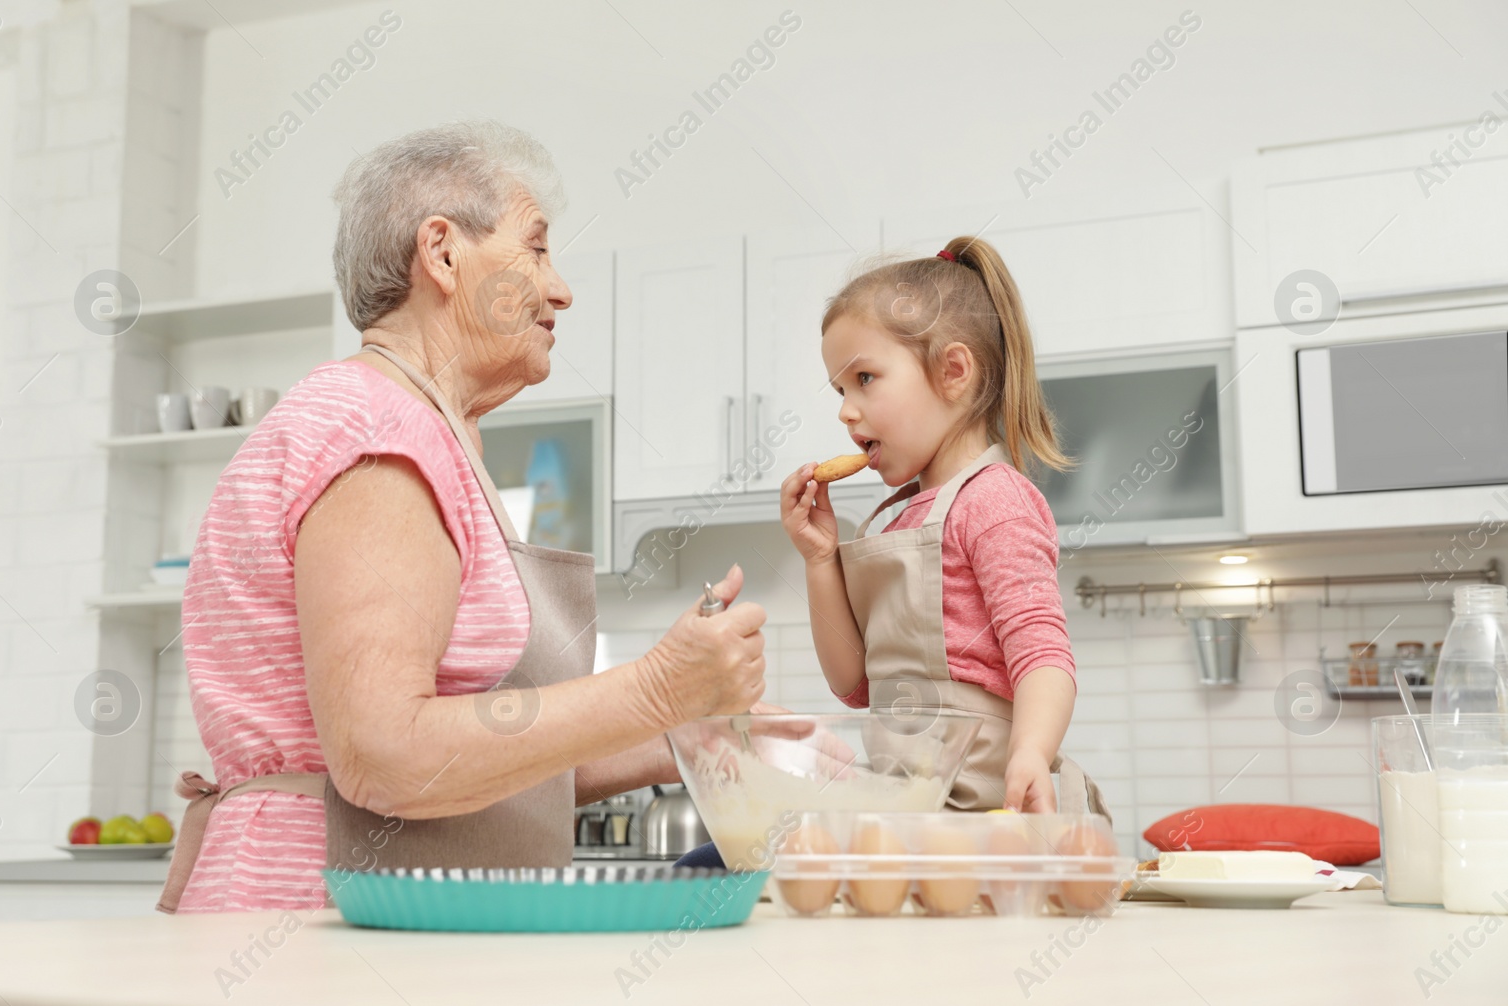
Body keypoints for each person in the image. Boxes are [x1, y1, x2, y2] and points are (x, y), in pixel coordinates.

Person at [159, 121, 768, 913]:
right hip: (310, 926)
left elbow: (478, 755)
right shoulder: (376, 432)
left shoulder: (420, 431)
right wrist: (654, 688)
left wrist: (688, 732)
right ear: (442, 254)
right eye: (538, 248)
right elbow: (385, 756)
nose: (563, 289)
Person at [779, 237, 1108, 816]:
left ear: (952, 371)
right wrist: (819, 560)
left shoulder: (994, 502)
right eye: (839, 390)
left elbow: (1043, 654)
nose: (845, 410)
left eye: (865, 380)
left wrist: (1031, 754)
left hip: (986, 811)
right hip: (914, 809)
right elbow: (854, 685)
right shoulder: (900, 518)